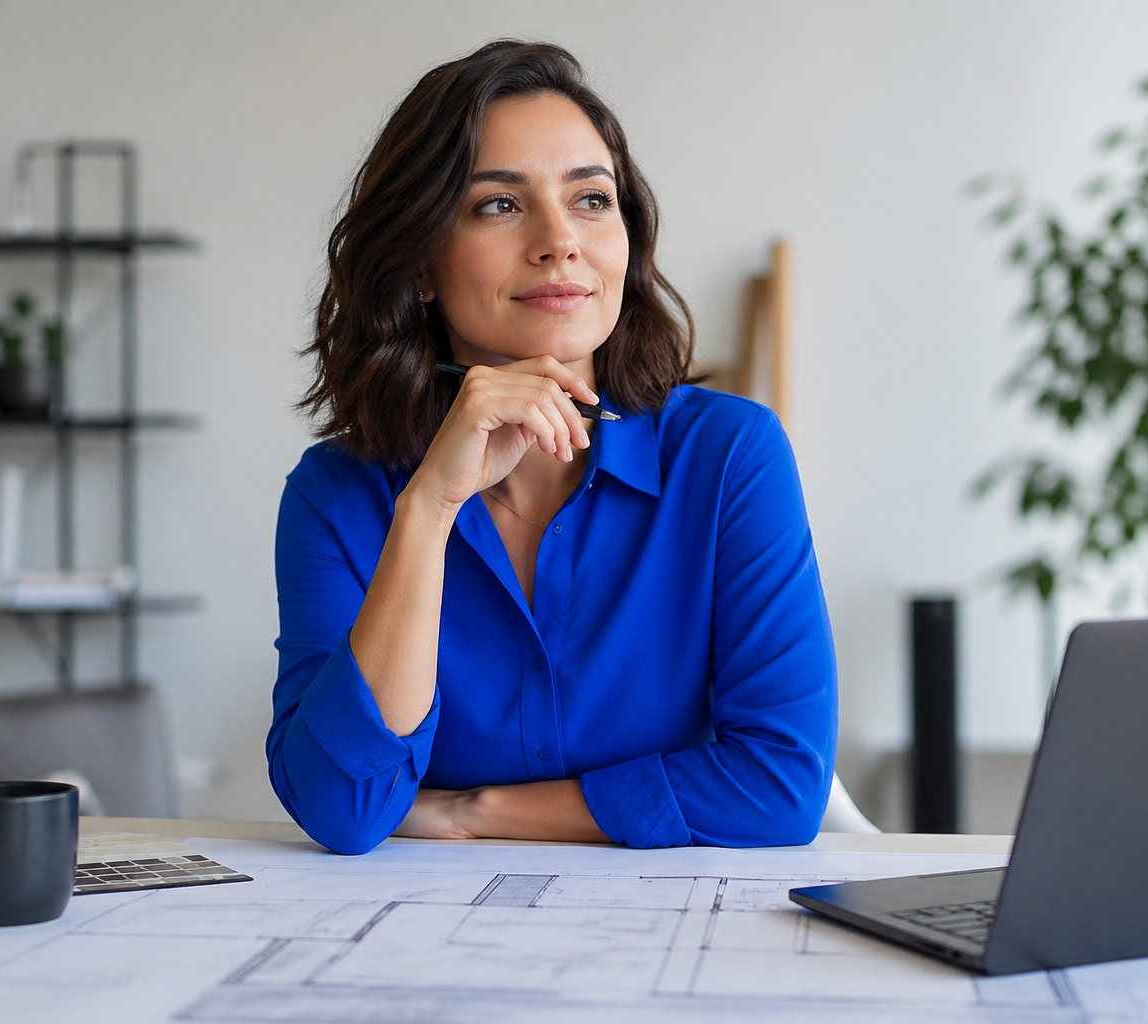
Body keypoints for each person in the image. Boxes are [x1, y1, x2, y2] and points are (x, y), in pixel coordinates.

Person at [269, 40, 837, 855]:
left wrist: (473, 812)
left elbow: (776, 788)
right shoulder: (337, 495)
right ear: (421, 265)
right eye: (498, 204)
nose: (559, 240)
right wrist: (428, 508)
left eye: (592, 199)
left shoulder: (729, 455)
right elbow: (343, 810)